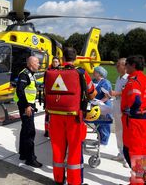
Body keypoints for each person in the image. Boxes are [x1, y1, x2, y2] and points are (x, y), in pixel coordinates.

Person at [45, 47, 97, 184]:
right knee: (74, 150)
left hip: (55, 116)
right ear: (76, 59)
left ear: (62, 59)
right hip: (74, 117)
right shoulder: (81, 73)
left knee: (57, 149)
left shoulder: (53, 72)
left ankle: (58, 179)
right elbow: (92, 93)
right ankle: (74, 182)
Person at [121, 55, 146, 185]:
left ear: (133, 66)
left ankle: (138, 183)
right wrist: (145, 108)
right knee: (143, 150)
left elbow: (136, 99)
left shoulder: (133, 80)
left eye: (127, 64)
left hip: (134, 121)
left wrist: (132, 112)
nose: (125, 66)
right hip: (144, 119)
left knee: (132, 151)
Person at [13, 56, 42, 168]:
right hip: (26, 107)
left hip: (27, 105)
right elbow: (20, 91)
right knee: (30, 132)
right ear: (31, 64)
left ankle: (23, 154)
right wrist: (27, 106)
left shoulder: (29, 73)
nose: (38, 65)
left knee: (25, 130)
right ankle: (30, 159)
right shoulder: (24, 74)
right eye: (37, 63)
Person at [110, 58, 129, 168]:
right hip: (117, 107)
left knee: (125, 133)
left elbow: (127, 92)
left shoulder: (128, 78)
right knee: (118, 131)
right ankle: (121, 153)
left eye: (118, 65)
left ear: (124, 66)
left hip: (124, 109)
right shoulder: (119, 77)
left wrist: (116, 93)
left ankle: (127, 157)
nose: (116, 67)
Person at [92, 66, 112, 145]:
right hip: (95, 105)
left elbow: (107, 96)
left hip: (104, 106)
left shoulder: (105, 82)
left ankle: (104, 141)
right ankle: (99, 139)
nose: (93, 73)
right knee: (97, 123)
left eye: (95, 72)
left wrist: (100, 102)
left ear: (100, 74)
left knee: (104, 124)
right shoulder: (93, 81)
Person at [44, 56, 61, 137]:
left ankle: (56, 130)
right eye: (53, 61)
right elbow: (45, 83)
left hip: (58, 96)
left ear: (59, 62)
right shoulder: (48, 71)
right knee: (47, 114)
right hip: (49, 95)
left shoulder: (62, 71)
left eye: (56, 62)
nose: (55, 63)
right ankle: (47, 130)